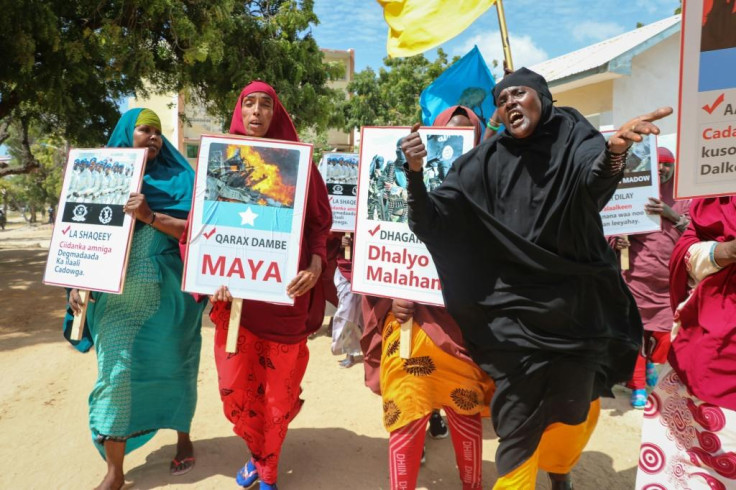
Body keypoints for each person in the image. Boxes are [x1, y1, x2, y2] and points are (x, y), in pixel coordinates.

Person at [401, 67, 668, 489]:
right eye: (501, 98)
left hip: (575, 311)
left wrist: (614, 154)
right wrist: (414, 173)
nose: (509, 102)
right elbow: (433, 219)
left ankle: (559, 469)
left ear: (543, 98)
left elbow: (591, 180)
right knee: (518, 419)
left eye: (519, 93)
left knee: (574, 408)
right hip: (512, 316)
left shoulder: (573, 135)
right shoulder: (482, 162)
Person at [65, 108, 204, 490]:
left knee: (176, 365)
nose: (154, 137)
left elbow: (196, 233)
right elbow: (80, 238)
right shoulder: (94, 180)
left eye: (158, 132)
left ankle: (183, 435)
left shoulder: (181, 181)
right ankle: (115, 470)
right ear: (127, 133)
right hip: (116, 303)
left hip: (170, 302)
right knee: (116, 374)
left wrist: (150, 214)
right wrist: (76, 283)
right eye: (145, 129)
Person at [362, 105, 494, 490]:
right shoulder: (401, 187)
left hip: (461, 328)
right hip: (408, 326)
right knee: (406, 406)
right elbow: (381, 250)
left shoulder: (488, 193)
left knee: (465, 411)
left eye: (468, 136)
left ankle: (472, 484)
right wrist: (391, 300)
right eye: (450, 136)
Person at [207, 81, 331, 490]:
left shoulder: (299, 165)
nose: (257, 111)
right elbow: (200, 230)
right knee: (235, 391)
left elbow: (318, 225)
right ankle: (258, 452)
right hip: (238, 304)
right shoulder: (218, 162)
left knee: (276, 397)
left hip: (285, 299)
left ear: (276, 112)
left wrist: (314, 265)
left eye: (265, 104)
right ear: (239, 112)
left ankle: (268, 474)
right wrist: (210, 280)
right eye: (249, 104)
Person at [635, 195, 736, 488]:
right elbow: (687, 247)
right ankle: (638, 380)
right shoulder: (718, 197)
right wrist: (725, 251)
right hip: (702, 343)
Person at [610, 146, 690, 408]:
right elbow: (614, 226)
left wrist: (671, 214)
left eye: (667, 164)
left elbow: (697, 231)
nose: (662, 169)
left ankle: (652, 370)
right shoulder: (636, 194)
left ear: (674, 166)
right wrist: (617, 241)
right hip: (637, 278)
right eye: (658, 164)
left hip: (672, 281)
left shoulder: (685, 197)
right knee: (636, 335)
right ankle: (638, 385)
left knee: (664, 336)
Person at [331, 233, 363, 368]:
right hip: (345, 270)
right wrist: (340, 242)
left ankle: (368, 350)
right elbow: (326, 238)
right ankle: (349, 352)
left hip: (365, 269)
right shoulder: (343, 215)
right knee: (347, 312)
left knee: (363, 314)